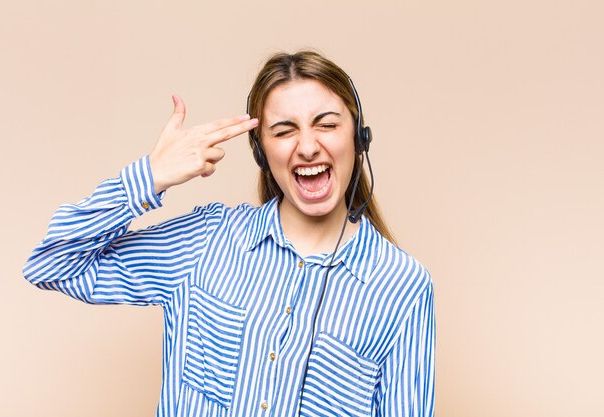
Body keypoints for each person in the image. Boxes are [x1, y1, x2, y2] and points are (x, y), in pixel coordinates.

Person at [24, 50, 435, 417]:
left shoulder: (403, 287)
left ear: (359, 138)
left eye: (326, 124)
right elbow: (51, 264)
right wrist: (150, 178)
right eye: (284, 130)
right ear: (260, 150)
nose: (307, 147)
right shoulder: (206, 240)